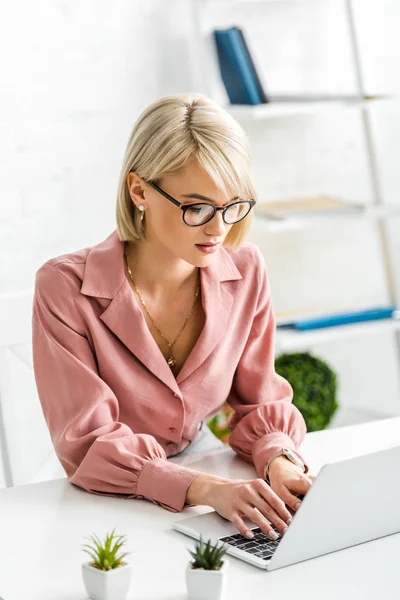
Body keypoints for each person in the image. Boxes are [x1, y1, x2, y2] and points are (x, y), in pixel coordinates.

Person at [32, 92, 315, 543]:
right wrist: (204, 489)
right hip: (102, 489)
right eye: (197, 207)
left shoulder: (245, 270)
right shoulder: (64, 288)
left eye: (233, 205)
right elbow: (87, 444)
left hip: (203, 469)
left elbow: (259, 402)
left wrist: (279, 459)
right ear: (139, 190)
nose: (218, 229)